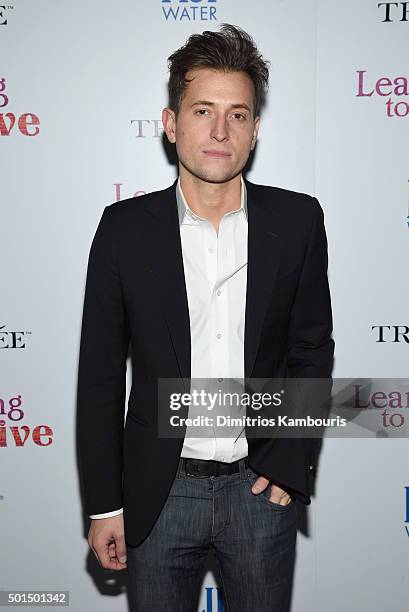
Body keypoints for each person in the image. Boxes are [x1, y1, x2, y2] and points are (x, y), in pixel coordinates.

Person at [77, 23, 334, 612]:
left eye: (238, 114)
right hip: (156, 495)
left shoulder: (297, 222)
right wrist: (104, 504)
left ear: (255, 131)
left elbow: (311, 348)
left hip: (259, 487)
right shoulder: (123, 229)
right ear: (171, 124)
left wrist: (292, 461)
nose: (220, 130)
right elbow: (98, 376)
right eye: (202, 111)